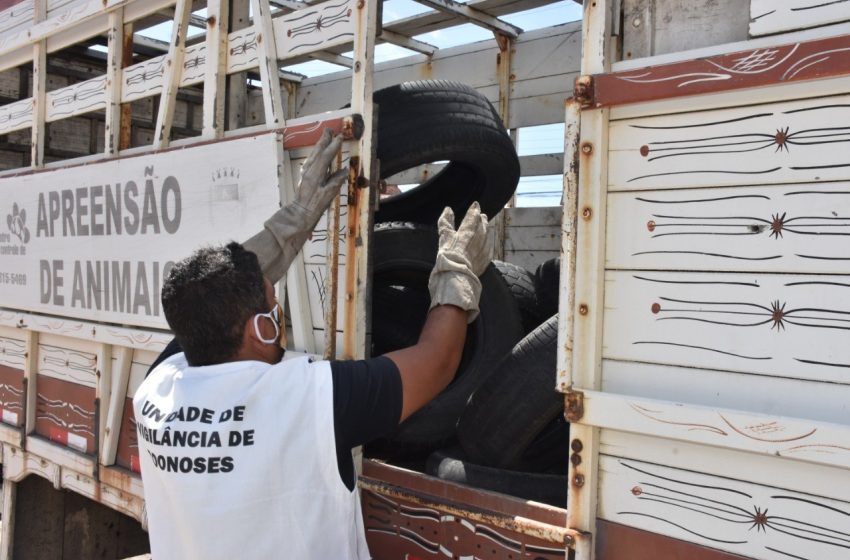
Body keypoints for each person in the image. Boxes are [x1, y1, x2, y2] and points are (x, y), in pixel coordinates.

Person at [133, 129, 491, 559]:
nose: (277, 311)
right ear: (261, 329)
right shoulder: (309, 400)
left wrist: (296, 220)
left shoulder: (156, 389)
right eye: (272, 305)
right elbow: (435, 362)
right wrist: (456, 273)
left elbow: (210, 299)